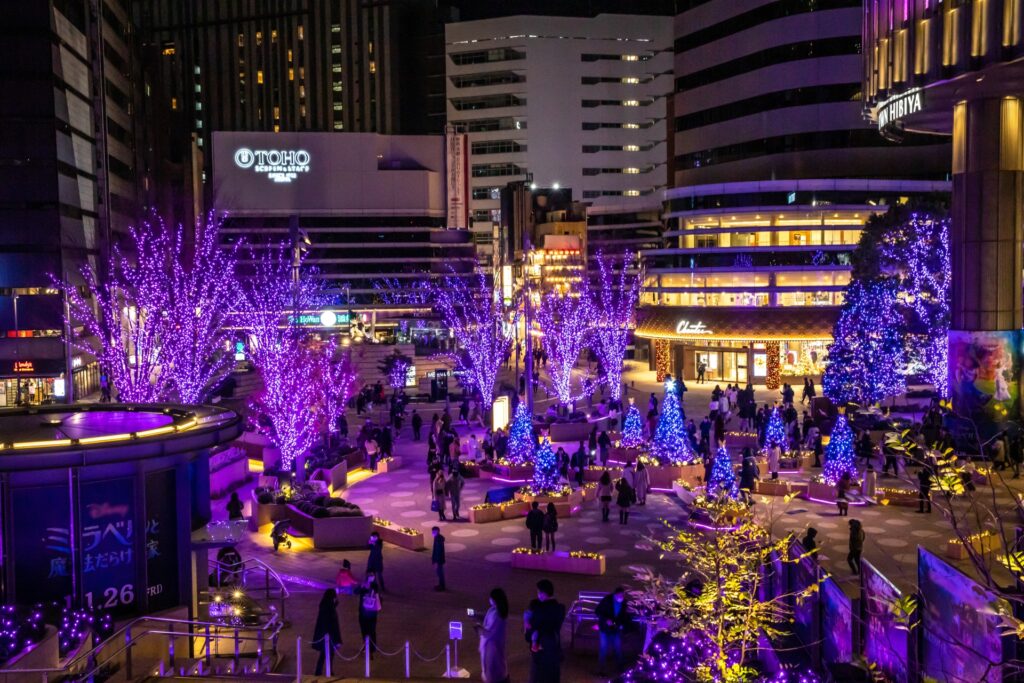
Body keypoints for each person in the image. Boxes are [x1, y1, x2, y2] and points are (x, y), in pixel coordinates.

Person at [524, 579, 566, 683]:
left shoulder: (538, 610)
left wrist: (527, 623)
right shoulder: (560, 608)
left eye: (538, 592)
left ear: (543, 593)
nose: (537, 595)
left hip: (540, 650)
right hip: (554, 649)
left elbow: (530, 632)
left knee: (537, 677)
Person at [595, 587, 631, 675]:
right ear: (615, 595)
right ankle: (601, 669)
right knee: (603, 648)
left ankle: (620, 667)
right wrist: (606, 620)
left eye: (623, 595)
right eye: (620, 595)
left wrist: (621, 624)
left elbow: (625, 616)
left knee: (618, 648)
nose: (621, 597)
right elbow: (597, 611)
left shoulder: (624, 603)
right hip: (605, 628)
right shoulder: (607, 600)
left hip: (615, 629)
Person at [475, 588, 509, 683]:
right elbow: (488, 621)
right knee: (494, 668)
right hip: (493, 645)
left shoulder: (497, 615)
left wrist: (479, 629)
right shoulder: (496, 610)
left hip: (492, 647)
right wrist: (478, 616)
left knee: (492, 668)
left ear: (494, 599)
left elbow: (490, 632)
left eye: (491, 598)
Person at [312, 588, 342, 675]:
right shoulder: (329, 609)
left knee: (324, 654)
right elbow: (333, 625)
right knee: (327, 654)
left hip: (325, 636)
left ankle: (321, 671)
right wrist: (337, 640)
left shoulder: (325, 605)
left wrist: (335, 604)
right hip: (329, 637)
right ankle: (326, 671)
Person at [356, 576, 382, 658]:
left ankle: (370, 649)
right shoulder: (365, 589)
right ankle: (369, 647)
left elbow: (379, 607)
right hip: (366, 615)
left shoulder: (373, 590)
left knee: (369, 632)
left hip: (368, 615)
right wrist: (362, 586)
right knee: (367, 632)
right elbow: (355, 591)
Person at [431, 526, 447, 591]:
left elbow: (438, 550)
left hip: (439, 559)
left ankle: (442, 586)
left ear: (437, 531)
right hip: (439, 558)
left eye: (433, 532)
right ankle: (441, 584)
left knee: (440, 572)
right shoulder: (436, 538)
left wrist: (436, 559)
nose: (432, 533)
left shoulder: (438, 539)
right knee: (439, 572)